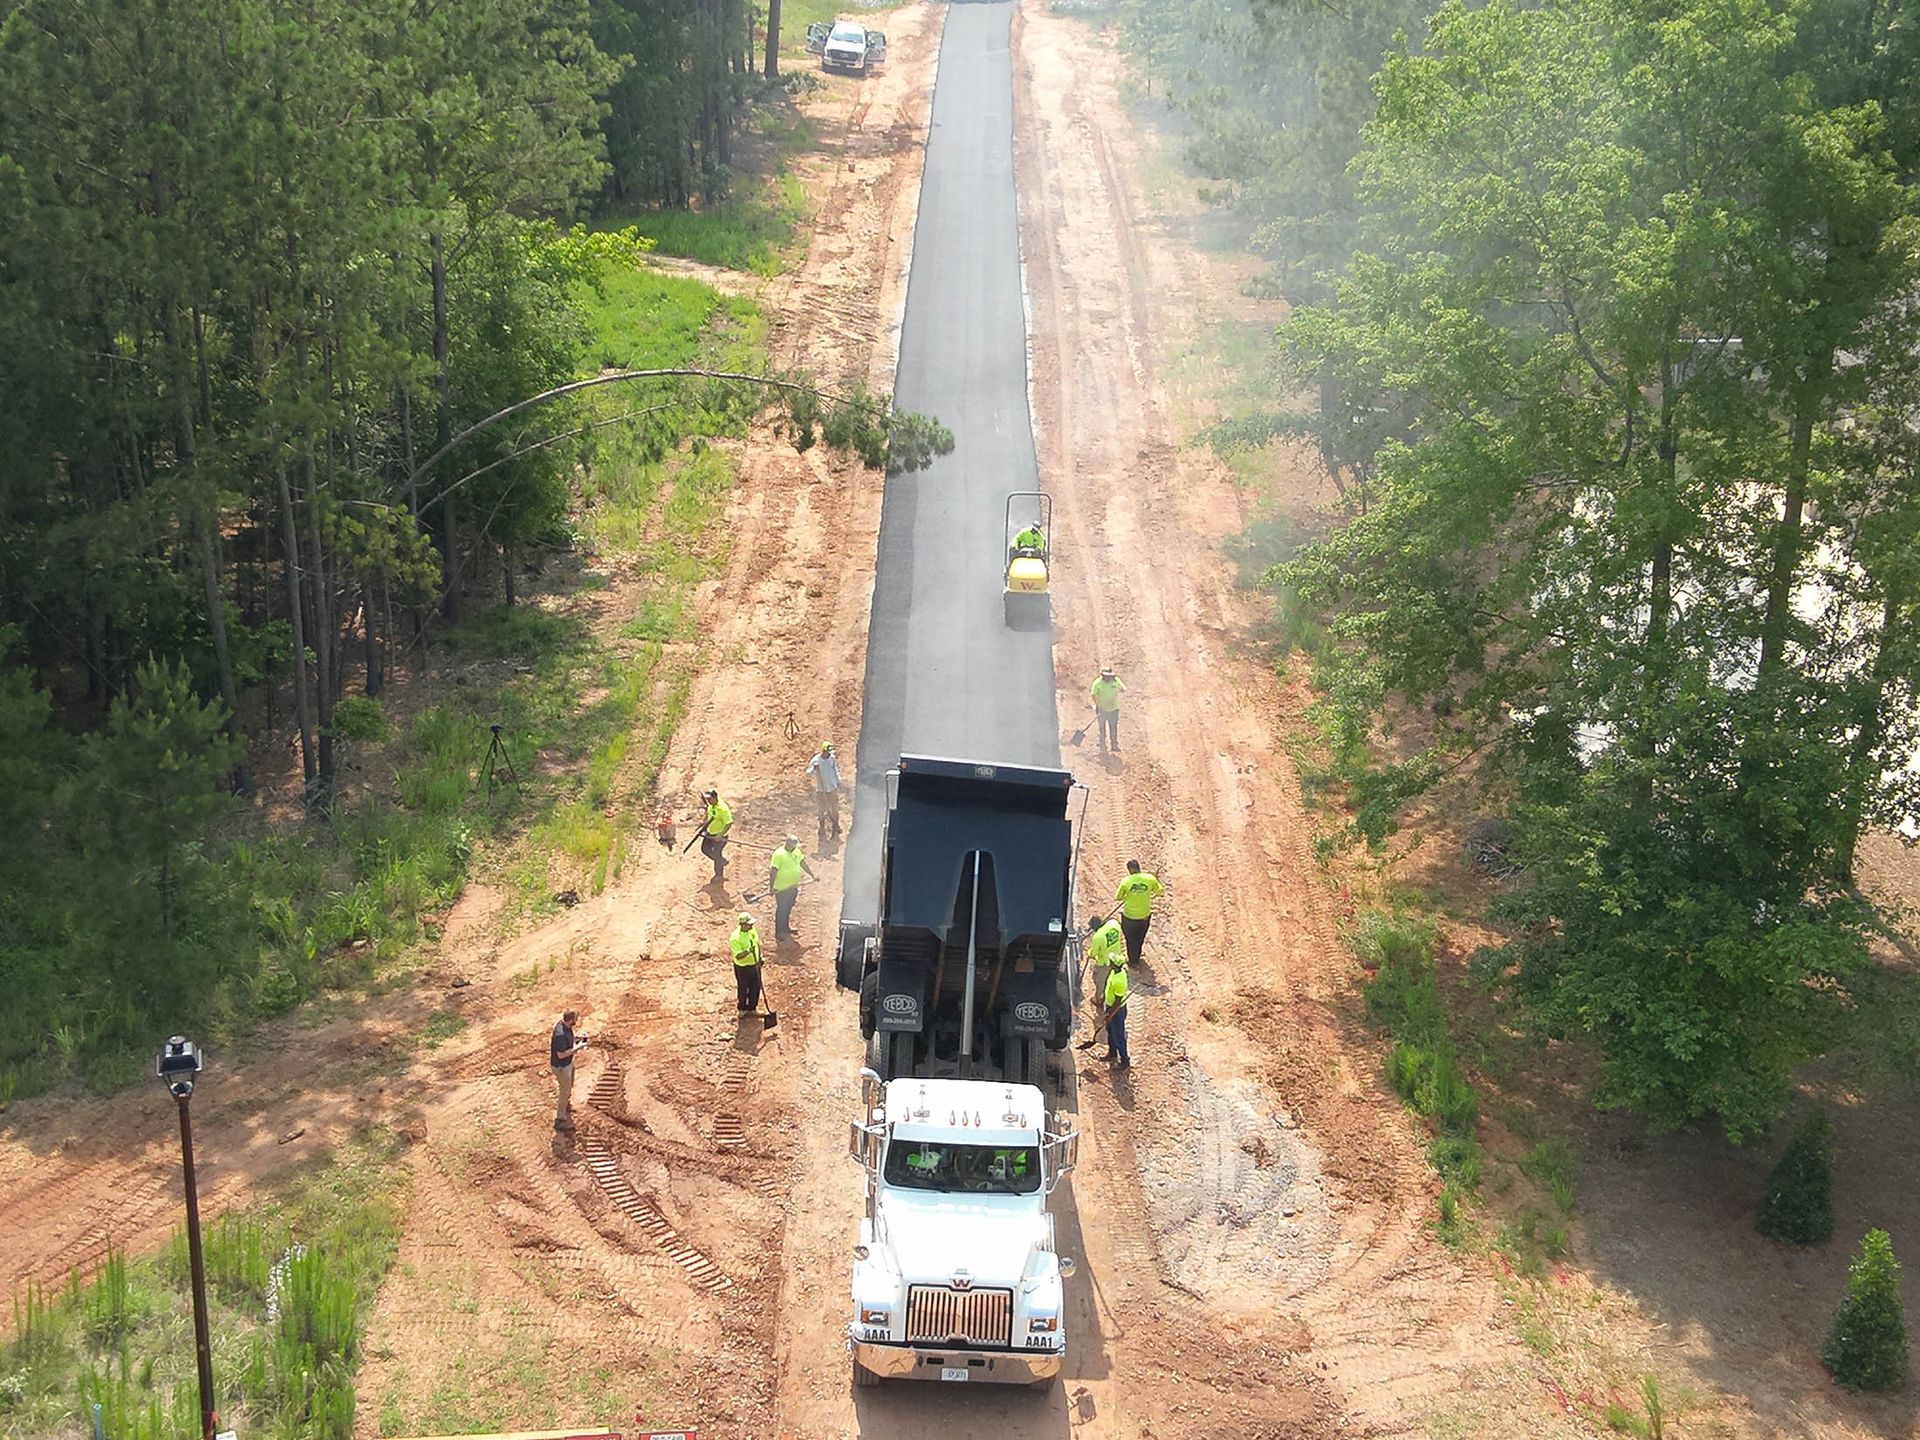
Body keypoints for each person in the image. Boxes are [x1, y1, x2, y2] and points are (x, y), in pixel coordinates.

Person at [1114, 859, 1166, 966]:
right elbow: (1161, 892)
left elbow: (1118, 897)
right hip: (1144, 917)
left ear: (1129, 870)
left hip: (1129, 917)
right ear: (1139, 868)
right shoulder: (1150, 879)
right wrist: (1155, 882)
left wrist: (1128, 895)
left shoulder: (1126, 881)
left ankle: (1133, 961)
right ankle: (1136, 957)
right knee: (1140, 938)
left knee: (1130, 939)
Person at [768, 834, 819, 940]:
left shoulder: (797, 851)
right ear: (787, 844)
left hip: (793, 886)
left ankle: (786, 928)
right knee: (782, 909)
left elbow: (802, 863)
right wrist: (771, 887)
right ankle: (779, 932)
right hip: (781, 888)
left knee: (788, 907)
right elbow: (773, 872)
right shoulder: (778, 854)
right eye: (794, 845)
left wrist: (812, 875)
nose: (796, 847)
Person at [550, 1009, 590, 1131]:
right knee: (564, 1091)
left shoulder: (565, 1026)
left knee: (570, 1085)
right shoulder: (560, 1034)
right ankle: (560, 1120)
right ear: (571, 1019)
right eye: (576, 1019)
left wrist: (577, 1038)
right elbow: (561, 1055)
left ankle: (566, 1105)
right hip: (561, 1067)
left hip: (568, 1063)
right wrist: (578, 1047)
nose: (577, 1021)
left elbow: (568, 1039)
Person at [807, 742, 842, 844]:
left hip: (831, 787)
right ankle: (822, 828)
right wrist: (814, 768)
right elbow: (808, 772)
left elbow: (835, 770)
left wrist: (838, 780)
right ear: (824, 751)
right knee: (822, 809)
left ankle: (836, 825)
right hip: (821, 789)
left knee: (834, 808)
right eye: (828, 752)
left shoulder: (832, 758)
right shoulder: (816, 760)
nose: (829, 754)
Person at [1098, 960, 1131, 1069]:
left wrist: (1110, 1015)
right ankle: (1112, 1054)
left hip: (1117, 1011)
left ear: (1115, 965)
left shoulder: (1120, 980)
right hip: (1110, 1007)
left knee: (1119, 1035)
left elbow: (1118, 1002)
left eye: (1112, 962)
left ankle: (1124, 1061)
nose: (1110, 962)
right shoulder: (1114, 972)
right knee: (1111, 1032)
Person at [729, 912, 764, 1013]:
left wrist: (760, 957)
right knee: (743, 988)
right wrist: (748, 951)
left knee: (756, 987)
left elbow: (757, 944)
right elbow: (738, 956)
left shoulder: (752, 931)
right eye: (749, 924)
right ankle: (742, 1009)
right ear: (743, 925)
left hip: (755, 964)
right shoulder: (735, 938)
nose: (751, 926)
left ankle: (752, 1008)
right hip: (742, 968)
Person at [698, 789, 733, 884]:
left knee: (717, 854)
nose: (708, 801)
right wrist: (704, 822)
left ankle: (719, 875)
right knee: (705, 849)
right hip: (709, 833)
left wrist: (720, 835)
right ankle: (721, 861)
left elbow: (729, 823)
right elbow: (709, 815)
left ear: (715, 797)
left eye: (710, 799)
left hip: (720, 837)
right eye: (707, 799)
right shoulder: (711, 805)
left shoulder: (723, 809)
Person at [1091, 667, 1127, 753]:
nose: (1108, 678)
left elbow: (1123, 689)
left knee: (1113, 726)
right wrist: (1099, 706)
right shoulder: (1097, 683)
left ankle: (1114, 745)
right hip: (1102, 709)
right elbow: (1093, 695)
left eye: (1109, 676)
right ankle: (1102, 744)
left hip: (1114, 709)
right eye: (1106, 676)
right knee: (1102, 726)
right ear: (1103, 676)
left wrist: (1119, 690)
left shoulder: (1116, 681)